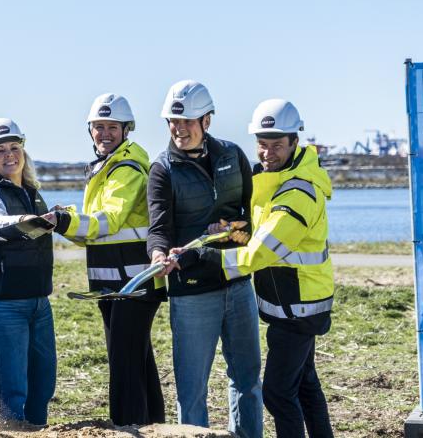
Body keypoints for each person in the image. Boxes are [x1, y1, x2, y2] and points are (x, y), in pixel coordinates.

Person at [174, 99, 335, 438]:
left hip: (298, 308)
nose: (267, 152)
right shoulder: (277, 180)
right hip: (292, 302)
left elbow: (262, 251)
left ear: (295, 141)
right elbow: (259, 231)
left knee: (278, 393)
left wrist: (206, 257)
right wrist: (229, 232)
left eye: (276, 145)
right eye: (262, 144)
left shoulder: (298, 192)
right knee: (304, 384)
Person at [145, 80, 263, 438]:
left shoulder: (233, 155)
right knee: (191, 388)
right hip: (192, 292)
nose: (179, 129)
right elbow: (158, 228)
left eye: (187, 122)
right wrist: (158, 255)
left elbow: (251, 218)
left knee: (246, 380)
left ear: (207, 120)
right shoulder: (162, 169)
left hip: (238, 283)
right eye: (173, 122)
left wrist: (231, 229)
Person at [50, 93, 165, 426]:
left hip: (132, 283)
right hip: (115, 284)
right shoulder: (107, 166)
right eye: (98, 127)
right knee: (138, 360)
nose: (104, 134)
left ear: (126, 129)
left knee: (124, 364)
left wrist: (63, 222)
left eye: (112, 127)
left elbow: (107, 221)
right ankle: (156, 426)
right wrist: (65, 220)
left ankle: (127, 427)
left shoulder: (126, 169)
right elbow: (95, 227)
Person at [0, 118, 57, 429]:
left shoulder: (32, 191)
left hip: (39, 303)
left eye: (14, 148)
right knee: (11, 388)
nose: (9, 155)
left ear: (24, 151)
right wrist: (32, 220)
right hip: (1, 305)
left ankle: (37, 431)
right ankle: (5, 430)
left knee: (43, 385)